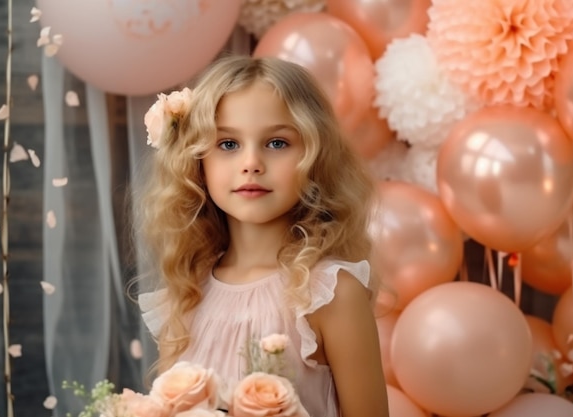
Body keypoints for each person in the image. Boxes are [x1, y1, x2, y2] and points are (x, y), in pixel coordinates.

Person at [135, 55, 389, 417]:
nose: (251, 163)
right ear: (197, 161)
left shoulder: (329, 294)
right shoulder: (187, 294)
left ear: (315, 157)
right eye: (227, 144)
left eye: (276, 143)